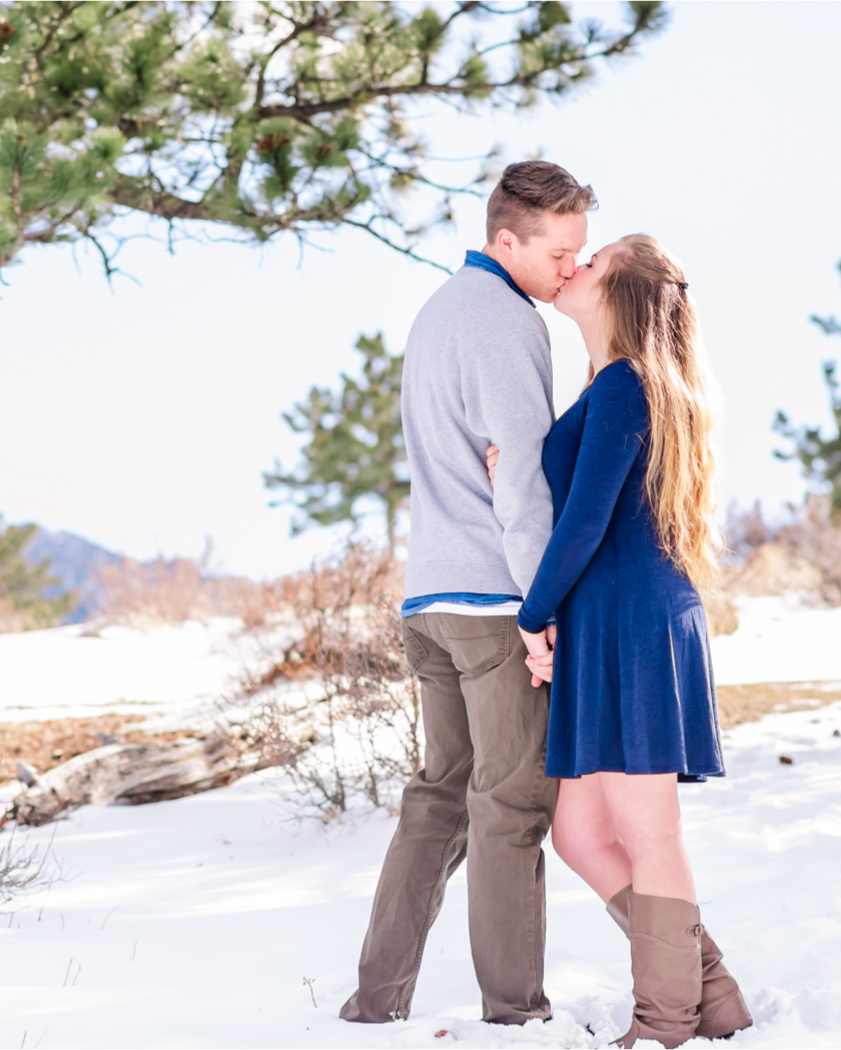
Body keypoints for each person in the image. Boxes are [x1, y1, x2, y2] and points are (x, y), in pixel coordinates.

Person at [339, 160, 592, 1026]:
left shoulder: (438, 310)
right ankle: (515, 1014)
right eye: (560, 251)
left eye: (579, 252)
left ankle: (376, 1003)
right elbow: (519, 481)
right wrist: (540, 607)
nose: (571, 269)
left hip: (430, 600)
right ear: (506, 240)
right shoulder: (504, 322)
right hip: (493, 603)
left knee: (439, 796)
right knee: (512, 806)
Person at [487, 234, 753, 1048]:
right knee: (579, 834)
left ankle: (666, 1023)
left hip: (634, 624)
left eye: (590, 262)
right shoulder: (611, 387)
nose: (571, 268)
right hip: (610, 622)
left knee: (647, 833)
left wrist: (533, 615)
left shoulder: (626, 388)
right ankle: (711, 992)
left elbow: (584, 523)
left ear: (623, 295)